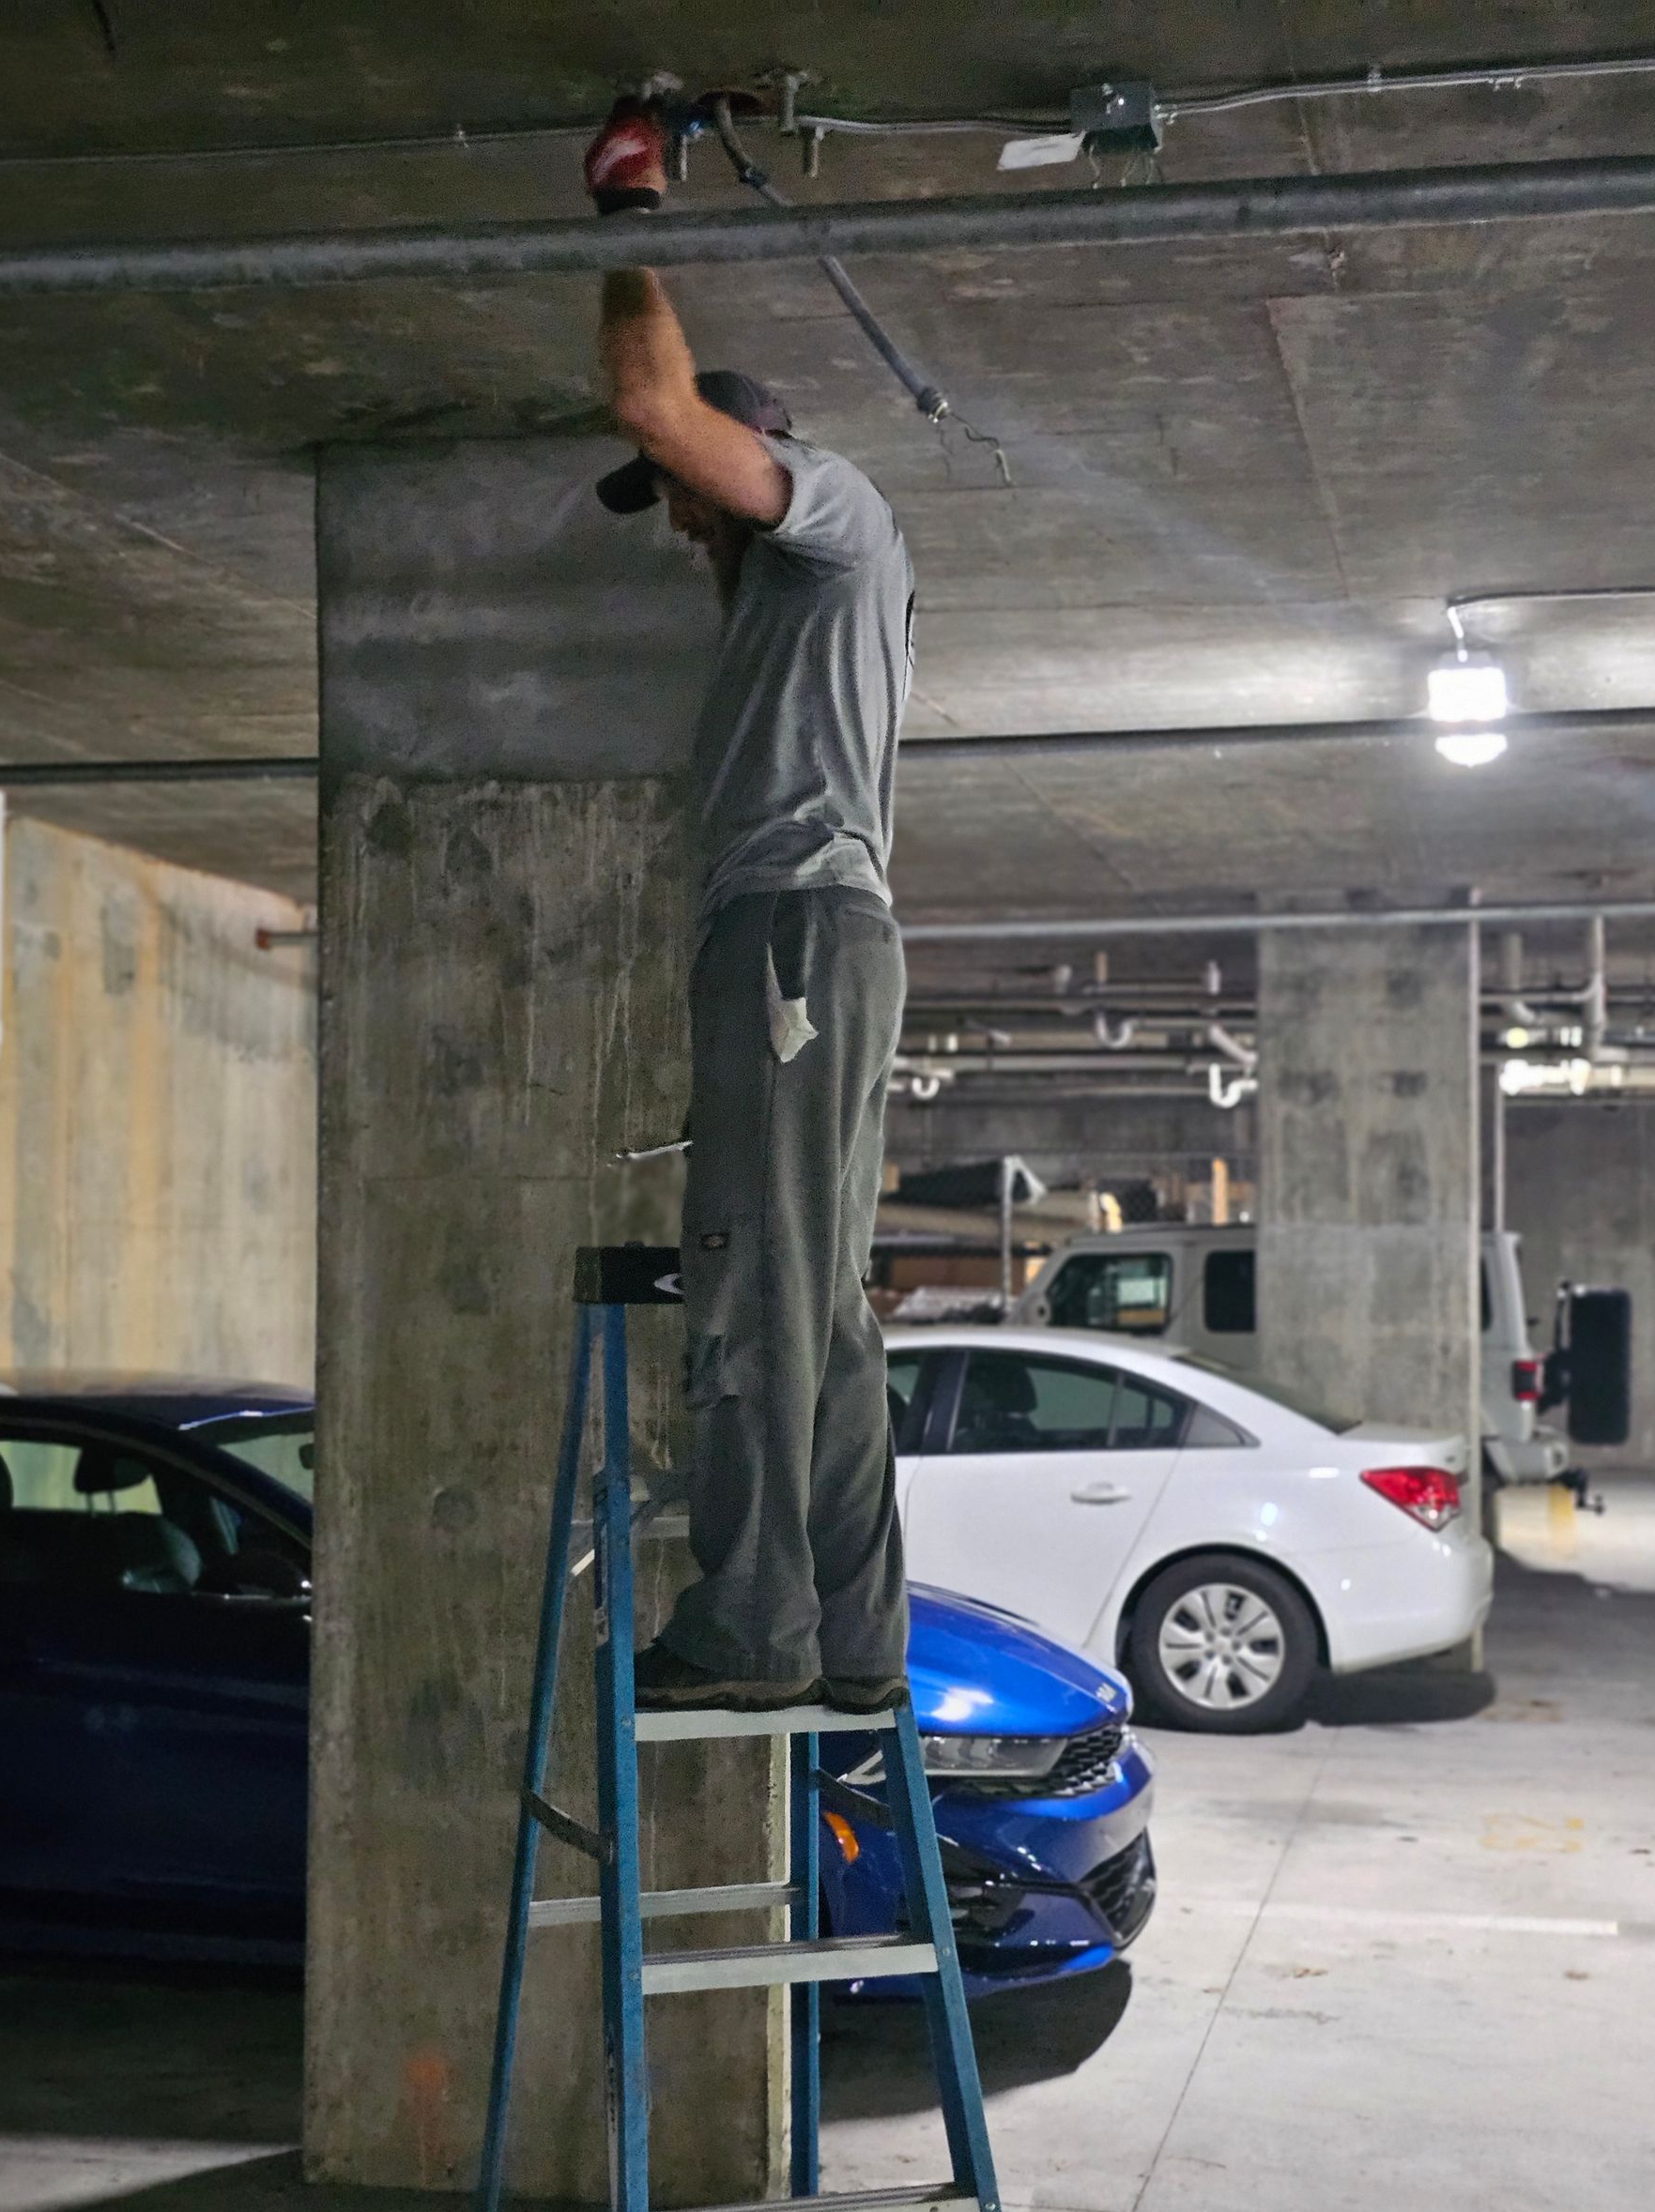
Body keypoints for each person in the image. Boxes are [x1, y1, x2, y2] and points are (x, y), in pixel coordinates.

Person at [585, 100, 914, 1714]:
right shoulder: (785, 621)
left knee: (754, 1286)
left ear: (753, 458)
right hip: (813, 943)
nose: (683, 522)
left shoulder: (837, 523)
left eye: (689, 492)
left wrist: (624, 217)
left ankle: (755, 1631)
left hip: (791, 936)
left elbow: (652, 401)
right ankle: (851, 1640)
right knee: (818, 1307)